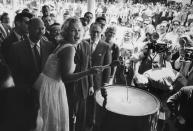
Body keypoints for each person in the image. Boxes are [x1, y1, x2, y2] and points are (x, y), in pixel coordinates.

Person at [34, 17, 102, 131]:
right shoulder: (69, 48)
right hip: (52, 87)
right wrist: (88, 72)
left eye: (79, 30)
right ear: (65, 32)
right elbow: (66, 77)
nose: (77, 33)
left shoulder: (63, 44)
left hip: (46, 84)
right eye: (73, 30)